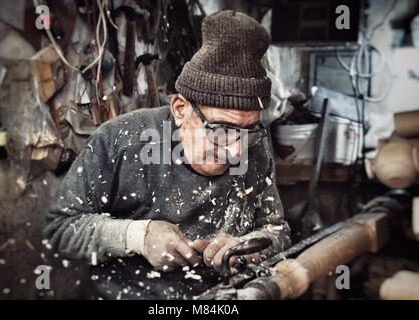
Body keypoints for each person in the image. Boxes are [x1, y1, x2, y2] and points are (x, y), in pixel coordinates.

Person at [45, 10, 290, 299]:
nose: (237, 151)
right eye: (222, 131)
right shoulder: (121, 140)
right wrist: (139, 236)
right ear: (181, 110)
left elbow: (276, 231)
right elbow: (60, 228)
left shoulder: (254, 145)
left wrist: (245, 248)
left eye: (248, 131)